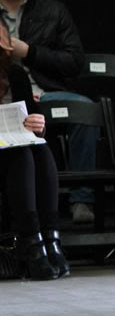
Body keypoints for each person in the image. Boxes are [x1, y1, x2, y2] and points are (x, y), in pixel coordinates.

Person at [0, 0, 97, 224]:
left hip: (48, 93)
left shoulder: (52, 10)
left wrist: (30, 52)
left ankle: (82, 199)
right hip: (5, 99)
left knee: (87, 111)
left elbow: (74, 61)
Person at [0, 18, 69, 280]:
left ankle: (50, 239)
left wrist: (38, 124)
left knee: (39, 149)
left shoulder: (15, 75)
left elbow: (33, 117)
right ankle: (31, 243)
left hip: (11, 150)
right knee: (21, 154)